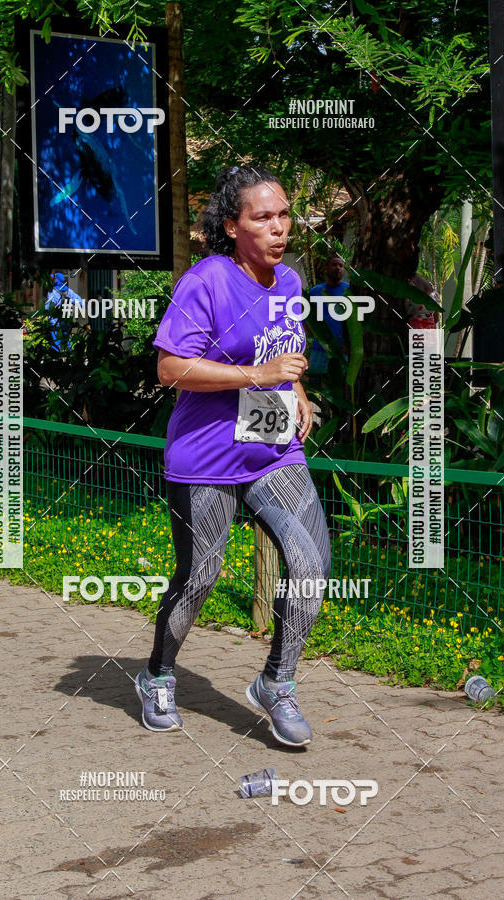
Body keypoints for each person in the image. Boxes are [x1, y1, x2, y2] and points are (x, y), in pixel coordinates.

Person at [134, 165, 332, 747]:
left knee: (311, 562)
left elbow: (285, 352)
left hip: (272, 448)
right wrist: (256, 374)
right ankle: (157, 674)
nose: (279, 228)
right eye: (262, 218)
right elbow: (172, 369)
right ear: (232, 226)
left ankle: (278, 682)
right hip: (207, 455)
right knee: (200, 576)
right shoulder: (208, 280)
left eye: (284, 215)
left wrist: (295, 393)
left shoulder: (290, 283)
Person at [306, 252, 350, 381]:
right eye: (334, 264)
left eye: (341, 266)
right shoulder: (315, 291)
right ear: (326, 268)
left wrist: (348, 344)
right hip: (319, 350)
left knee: (339, 391)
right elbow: (307, 319)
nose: (338, 268)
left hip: (341, 351)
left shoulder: (349, 291)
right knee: (316, 386)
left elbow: (355, 321)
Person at [44, 272, 83, 350]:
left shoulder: (52, 291)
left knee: (55, 338)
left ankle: (56, 355)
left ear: (57, 280)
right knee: (67, 337)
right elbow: (80, 302)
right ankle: (70, 354)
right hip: (66, 317)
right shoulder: (69, 291)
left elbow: (48, 307)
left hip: (55, 319)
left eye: (54, 278)